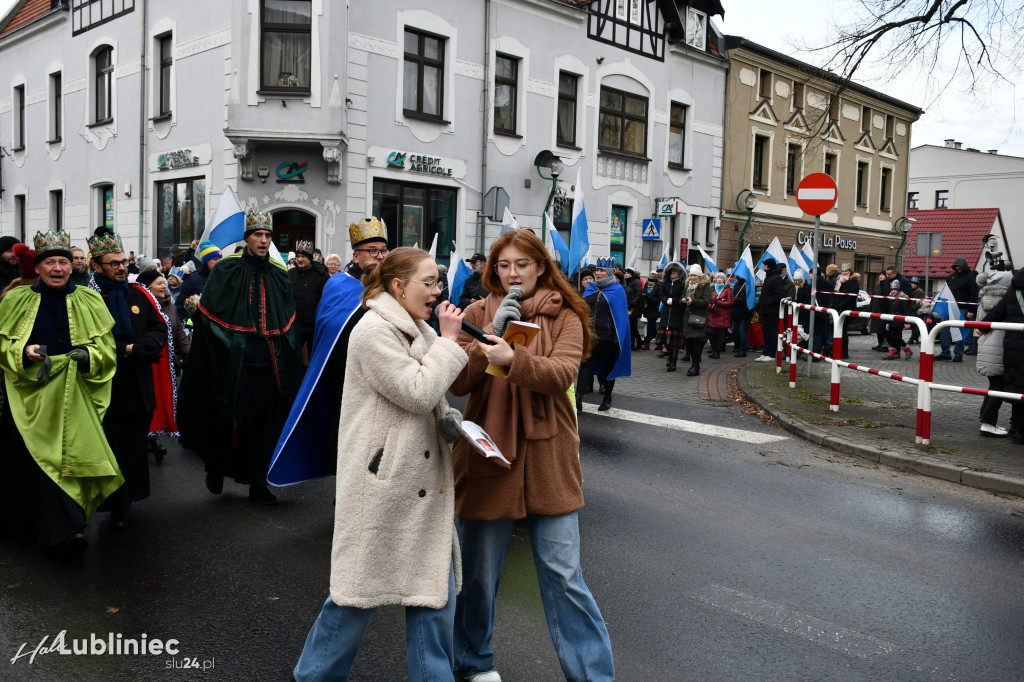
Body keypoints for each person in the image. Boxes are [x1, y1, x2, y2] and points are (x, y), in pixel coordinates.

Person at [293, 248, 469, 682]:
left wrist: (452, 425)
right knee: (354, 596)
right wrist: (448, 342)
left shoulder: (417, 327)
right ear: (397, 286)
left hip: (421, 483)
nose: (437, 291)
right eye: (428, 282)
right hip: (384, 485)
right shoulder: (373, 331)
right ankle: (313, 676)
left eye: (438, 281)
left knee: (432, 596)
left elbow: (431, 402)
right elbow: (416, 390)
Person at [448, 229, 614, 682]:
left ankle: (593, 676)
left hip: (549, 455)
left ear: (541, 265)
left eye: (522, 264)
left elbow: (561, 374)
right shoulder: (479, 311)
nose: (512, 273)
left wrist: (511, 358)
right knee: (479, 577)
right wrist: (492, 339)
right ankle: (473, 661)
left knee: (564, 575)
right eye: (503, 265)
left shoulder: (566, 314)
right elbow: (458, 383)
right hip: (490, 451)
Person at [0, 230, 122, 554]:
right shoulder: (15, 300)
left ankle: (68, 531)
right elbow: (4, 345)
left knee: (71, 459)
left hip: (74, 398)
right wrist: (24, 353)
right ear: (37, 268)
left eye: (63, 262)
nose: (58, 268)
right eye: (50, 262)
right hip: (30, 397)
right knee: (33, 462)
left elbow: (106, 349)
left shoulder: (90, 300)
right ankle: (30, 527)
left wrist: (88, 357)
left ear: (72, 267)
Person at [178, 209, 303, 505]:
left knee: (265, 425)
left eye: (267, 235)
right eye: (258, 235)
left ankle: (259, 484)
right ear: (246, 238)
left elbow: (288, 319)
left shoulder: (277, 272)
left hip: (270, 364)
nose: (263, 240)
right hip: (234, 363)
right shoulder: (226, 269)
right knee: (233, 421)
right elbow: (210, 315)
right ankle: (217, 466)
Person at [268, 218, 387, 486]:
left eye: (383, 250)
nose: (380, 256)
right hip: (343, 379)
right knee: (346, 441)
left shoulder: (392, 287)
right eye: (373, 251)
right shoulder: (339, 284)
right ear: (357, 256)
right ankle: (345, 496)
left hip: (379, 379)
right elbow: (330, 327)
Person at [88, 227, 168, 528]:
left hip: (138, 387)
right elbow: (87, 342)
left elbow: (158, 328)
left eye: (123, 261)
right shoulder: (88, 298)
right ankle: (116, 503)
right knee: (112, 448)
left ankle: (130, 498)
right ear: (97, 266)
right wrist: (128, 349)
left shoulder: (139, 294)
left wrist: (144, 346)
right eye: (114, 263)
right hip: (107, 389)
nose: (122, 267)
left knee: (134, 448)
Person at [137, 269, 189, 461]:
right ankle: (146, 438)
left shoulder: (170, 305)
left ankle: (154, 438)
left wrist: (189, 355)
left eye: (164, 283)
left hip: (166, 364)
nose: (163, 286)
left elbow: (179, 335)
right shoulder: (140, 306)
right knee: (147, 399)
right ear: (147, 286)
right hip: (147, 362)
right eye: (159, 283)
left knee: (161, 399)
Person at [577, 258, 631, 412]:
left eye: (602, 271)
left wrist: (616, 339)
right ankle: (578, 397)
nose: (598, 273)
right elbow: (584, 310)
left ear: (610, 273)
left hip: (608, 337)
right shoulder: (591, 288)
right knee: (585, 365)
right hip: (591, 335)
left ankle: (607, 397)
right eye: (597, 271)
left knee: (608, 368)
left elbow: (621, 317)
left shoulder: (617, 290)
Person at [981, 267, 1024, 444]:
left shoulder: (1014, 287)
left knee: (1017, 386)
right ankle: (1020, 432)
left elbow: (998, 312)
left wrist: (981, 326)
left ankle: (1015, 429)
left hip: (1012, 345)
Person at [975, 269, 1012, 437]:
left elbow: (977, 325)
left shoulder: (985, 298)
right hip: (999, 346)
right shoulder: (1005, 301)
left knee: (993, 385)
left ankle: (986, 419)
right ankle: (989, 423)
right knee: (999, 386)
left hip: (985, 345)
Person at [290, 239, 331, 362]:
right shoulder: (290, 274)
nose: (300, 259)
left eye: (303, 256)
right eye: (298, 256)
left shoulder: (321, 275)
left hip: (315, 325)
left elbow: (327, 299)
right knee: (294, 358)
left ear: (309, 258)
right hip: (295, 325)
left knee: (315, 358)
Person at [937, 256, 979, 360]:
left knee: (960, 331)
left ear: (964, 266)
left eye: (960, 266)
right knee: (943, 329)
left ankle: (958, 354)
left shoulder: (970, 277)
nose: (958, 268)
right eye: (956, 266)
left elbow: (974, 294)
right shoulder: (951, 276)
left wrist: (971, 310)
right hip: (949, 307)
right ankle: (945, 352)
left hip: (963, 308)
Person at [175, 240, 221, 325]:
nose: (219, 262)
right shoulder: (192, 280)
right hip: (199, 326)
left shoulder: (223, 278)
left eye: (220, 259)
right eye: (215, 259)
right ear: (206, 261)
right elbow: (180, 305)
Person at [680, 264, 712, 375]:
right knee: (689, 343)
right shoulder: (687, 284)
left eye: (695, 275)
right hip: (687, 318)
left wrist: (693, 301)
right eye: (691, 275)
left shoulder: (705, 286)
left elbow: (706, 302)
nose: (693, 277)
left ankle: (695, 365)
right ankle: (694, 364)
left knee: (696, 344)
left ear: (699, 276)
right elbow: (681, 298)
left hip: (699, 319)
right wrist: (683, 300)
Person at [756, 259, 788, 362]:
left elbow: (780, 293)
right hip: (765, 310)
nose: (763, 267)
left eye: (764, 265)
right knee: (765, 331)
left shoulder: (776, 278)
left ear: (768, 266)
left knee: (772, 332)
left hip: (772, 310)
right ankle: (765, 352)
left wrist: (768, 302)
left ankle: (771, 354)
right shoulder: (768, 277)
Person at [658, 261, 687, 371]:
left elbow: (682, 298)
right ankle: (670, 356)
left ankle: (674, 360)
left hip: (677, 314)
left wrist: (674, 301)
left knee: (674, 342)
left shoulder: (682, 284)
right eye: (672, 272)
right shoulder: (665, 283)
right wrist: (666, 300)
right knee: (666, 341)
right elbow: (661, 295)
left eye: (675, 272)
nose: (673, 274)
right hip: (666, 314)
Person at [830, 263, 859, 360]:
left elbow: (851, 296)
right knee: (839, 331)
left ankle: (844, 352)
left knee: (843, 331)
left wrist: (840, 305)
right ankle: (838, 350)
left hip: (847, 309)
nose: (844, 273)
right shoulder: (840, 281)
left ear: (850, 271)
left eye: (846, 271)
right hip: (839, 308)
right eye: (843, 271)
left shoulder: (854, 282)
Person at [885, 278, 913, 359]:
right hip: (891, 320)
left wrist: (906, 321)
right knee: (893, 337)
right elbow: (889, 310)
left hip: (899, 321)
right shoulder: (890, 298)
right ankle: (893, 353)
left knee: (898, 337)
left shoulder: (902, 298)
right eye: (892, 289)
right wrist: (887, 321)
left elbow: (905, 310)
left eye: (895, 289)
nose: (893, 291)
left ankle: (906, 350)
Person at [708, 271, 734, 359]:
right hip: (713, 315)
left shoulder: (727, 290)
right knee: (711, 333)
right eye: (718, 278)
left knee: (720, 335)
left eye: (721, 278)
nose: (719, 279)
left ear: (724, 280)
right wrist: (710, 306)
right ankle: (713, 349)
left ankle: (717, 351)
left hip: (723, 316)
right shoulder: (712, 289)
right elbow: (709, 300)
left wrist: (718, 302)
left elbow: (730, 302)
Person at [731, 270, 752, 357]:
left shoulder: (748, 285)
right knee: (734, 330)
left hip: (744, 312)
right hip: (735, 312)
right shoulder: (736, 284)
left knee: (742, 331)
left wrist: (738, 300)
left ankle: (743, 350)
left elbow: (749, 299)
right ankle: (739, 345)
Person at [642, 270, 660, 350]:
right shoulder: (646, 286)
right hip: (647, 309)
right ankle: (658, 342)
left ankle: (647, 343)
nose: (650, 282)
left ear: (655, 282)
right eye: (649, 280)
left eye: (652, 281)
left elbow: (658, 300)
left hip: (655, 309)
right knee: (650, 327)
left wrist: (648, 297)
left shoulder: (658, 288)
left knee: (650, 326)